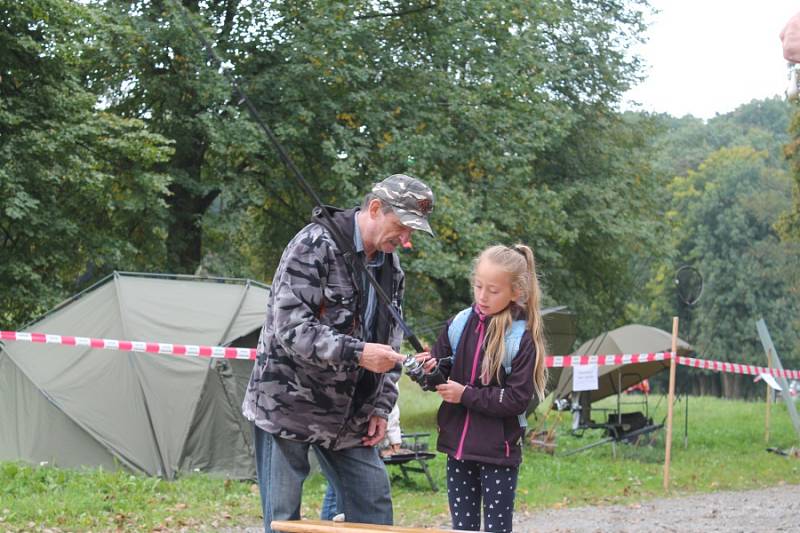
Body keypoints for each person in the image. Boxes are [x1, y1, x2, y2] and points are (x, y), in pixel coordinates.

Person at [242, 174, 434, 532]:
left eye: (413, 232)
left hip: (351, 416)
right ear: (375, 209)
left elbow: (390, 345)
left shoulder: (393, 270)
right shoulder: (315, 244)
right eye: (403, 227)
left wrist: (380, 406)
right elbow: (291, 328)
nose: (406, 240)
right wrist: (358, 353)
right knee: (283, 521)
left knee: (373, 505)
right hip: (287, 406)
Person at [419, 244, 547, 532]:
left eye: (493, 290)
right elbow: (438, 376)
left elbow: (516, 400)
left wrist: (465, 394)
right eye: (478, 286)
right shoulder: (459, 323)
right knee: (462, 529)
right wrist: (426, 370)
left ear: (515, 292)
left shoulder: (521, 338)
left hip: (497, 454)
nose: (482, 296)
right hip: (457, 450)